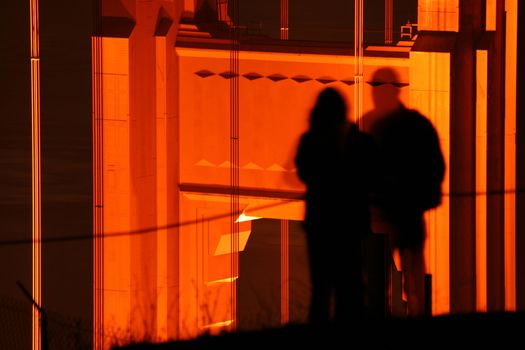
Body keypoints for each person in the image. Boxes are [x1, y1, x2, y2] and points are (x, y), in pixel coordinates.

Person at [362, 68, 445, 317]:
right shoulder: (416, 124)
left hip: (383, 214)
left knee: (380, 274)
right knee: (413, 269)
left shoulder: (374, 127)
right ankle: (417, 312)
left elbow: (365, 169)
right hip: (407, 210)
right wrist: (427, 195)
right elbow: (436, 164)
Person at [295, 87, 375, 324]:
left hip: (321, 222)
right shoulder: (359, 141)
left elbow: (304, 171)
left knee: (321, 287)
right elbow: (372, 174)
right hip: (350, 222)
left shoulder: (310, 140)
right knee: (349, 285)